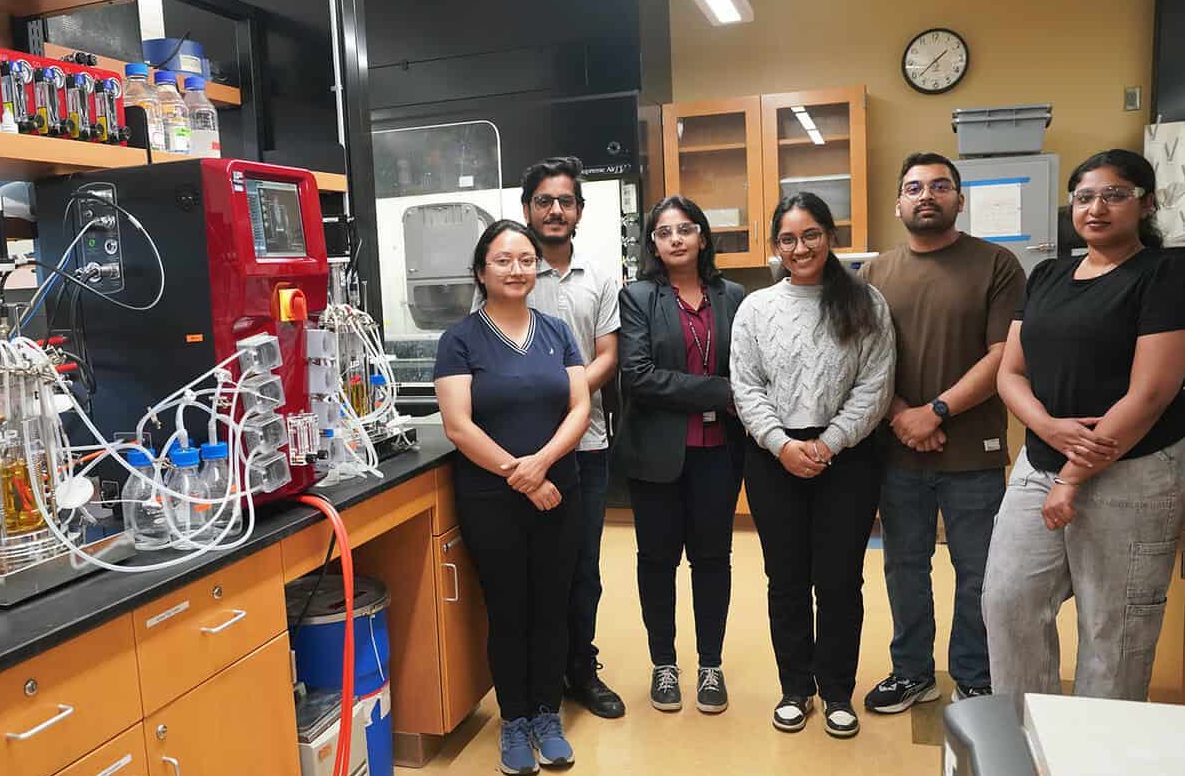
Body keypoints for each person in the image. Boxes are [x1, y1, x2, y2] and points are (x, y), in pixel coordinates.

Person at [983, 149, 1185, 709]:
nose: (1096, 208)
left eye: (1114, 195)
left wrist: (1073, 476)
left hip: (1133, 471)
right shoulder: (1047, 275)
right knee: (1008, 601)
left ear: (1146, 203)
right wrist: (1047, 427)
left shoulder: (1165, 274)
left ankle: (1098, 748)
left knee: (1112, 629)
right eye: (1084, 197)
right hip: (1040, 463)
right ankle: (1028, 732)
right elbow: (1010, 372)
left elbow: (1151, 393)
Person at [860, 152, 1026, 712]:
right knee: (904, 567)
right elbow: (862, 361)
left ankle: (974, 676)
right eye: (914, 188)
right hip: (898, 450)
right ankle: (912, 672)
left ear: (959, 199)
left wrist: (936, 411)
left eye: (939, 186)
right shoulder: (875, 274)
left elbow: (1002, 355)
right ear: (898, 203)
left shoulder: (997, 264)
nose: (926, 195)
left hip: (972, 453)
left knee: (978, 571)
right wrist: (901, 415)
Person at [731, 193, 895, 737]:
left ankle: (838, 691)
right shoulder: (756, 308)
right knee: (786, 579)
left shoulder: (866, 302)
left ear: (830, 236)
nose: (799, 248)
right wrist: (781, 444)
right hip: (773, 459)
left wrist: (830, 442)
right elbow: (746, 386)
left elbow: (876, 384)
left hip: (847, 458)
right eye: (788, 239)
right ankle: (795, 688)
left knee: (840, 580)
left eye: (810, 236)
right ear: (775, 245)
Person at [435, 220, 591, 775]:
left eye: (526, 260)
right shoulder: (460, 340)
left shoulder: (557, 331)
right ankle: (515, 720)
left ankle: (547, 715)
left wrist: (543, 464)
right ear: (481, 271)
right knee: (508, 610)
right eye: (503, 260)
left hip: (559, 492)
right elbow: (458, 425)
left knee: (552, 605)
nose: (516, 269)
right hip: (491, 498)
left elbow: (580, 407)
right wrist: (521, 475)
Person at [614, 195, 746, 715]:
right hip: (656, 455)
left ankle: (711, 665)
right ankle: (663, 664)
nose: (675, 239)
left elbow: (749, 367)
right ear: (653, 243)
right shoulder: (639, 297)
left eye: (685, 229)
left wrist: (733, 390)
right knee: (657, 560)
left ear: (702, 236)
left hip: (719, 453)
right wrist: (721, 391)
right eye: (664, 232)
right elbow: (638, 376)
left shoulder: (732, 296)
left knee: (712, 559)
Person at [514, 157, 625, 718]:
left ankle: (581, 670)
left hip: (586, 447)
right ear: (527, 208)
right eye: (544, 201)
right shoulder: (510, 274)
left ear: (579, 211)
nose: (555, 210)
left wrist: (569, 396)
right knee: (530, 567)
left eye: (565, 201)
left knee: (583, 567)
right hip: (521, 453)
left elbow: (609, 355)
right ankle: (537, 675)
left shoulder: (600, 279)